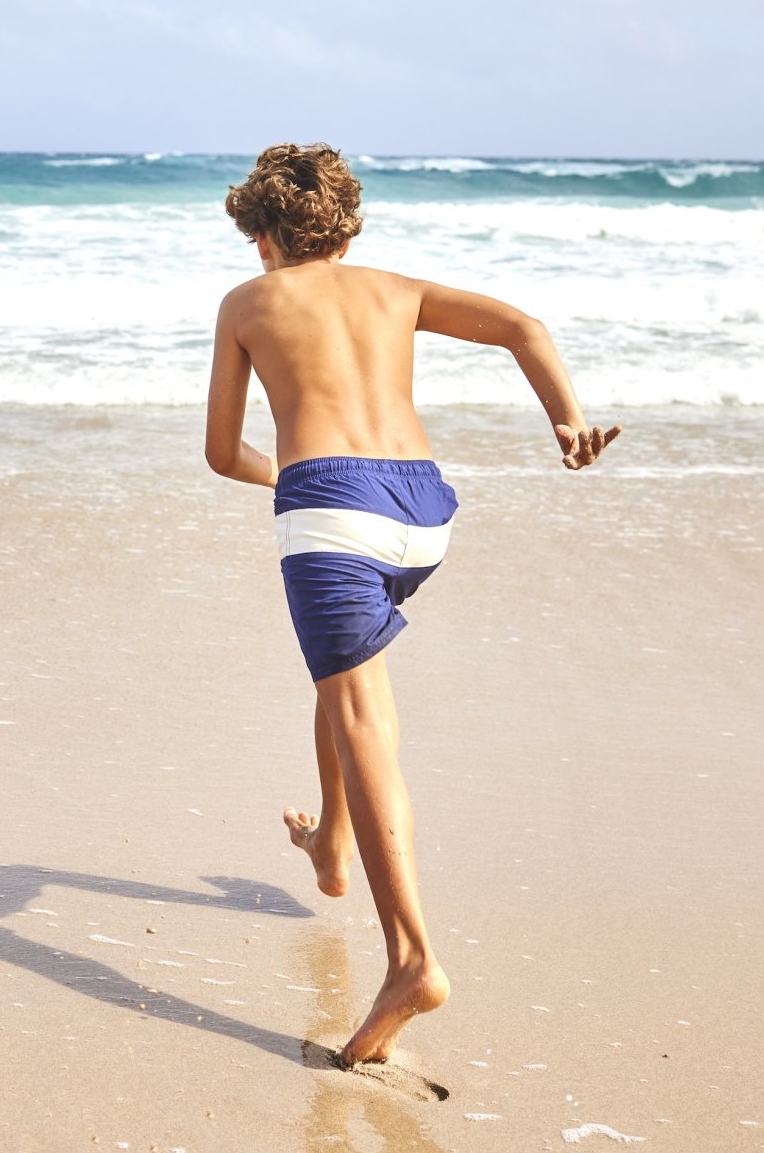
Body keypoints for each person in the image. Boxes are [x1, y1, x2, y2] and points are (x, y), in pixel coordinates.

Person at [203, 143, 617, 1068]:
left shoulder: (247, 302)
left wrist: (296, 480)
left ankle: (413, 961)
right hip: (423, 509)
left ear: (262, 234)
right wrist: (567, 420)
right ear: (344, 228)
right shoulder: (393, 288)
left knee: (365, 719)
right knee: (345, 678)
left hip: (334, 511)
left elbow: (222, 452)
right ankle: (330, 845)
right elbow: (521, 324)